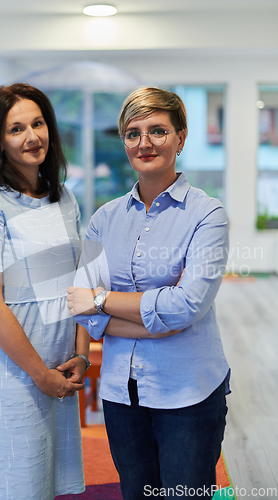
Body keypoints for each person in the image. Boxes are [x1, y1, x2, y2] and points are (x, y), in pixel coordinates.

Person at [66, 86, 230, 499]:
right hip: (122, 394)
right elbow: (78, 303)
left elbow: (187, 305)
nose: (144, 143)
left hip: (189, 392)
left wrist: (104, 299)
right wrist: (156, 322)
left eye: (157, 130)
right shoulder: (104, 218)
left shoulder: (208, 214)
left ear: (181, 136)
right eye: (133, 133)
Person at [0, 83, 91, 500]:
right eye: (16, 129)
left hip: (60, 368)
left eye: (38, 123)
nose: (31, 136)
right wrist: (40, 375)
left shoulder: (65, 197)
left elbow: (79, 280)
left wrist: (82, 353)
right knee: (22, 489)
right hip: (14, 376)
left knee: (51, 485)